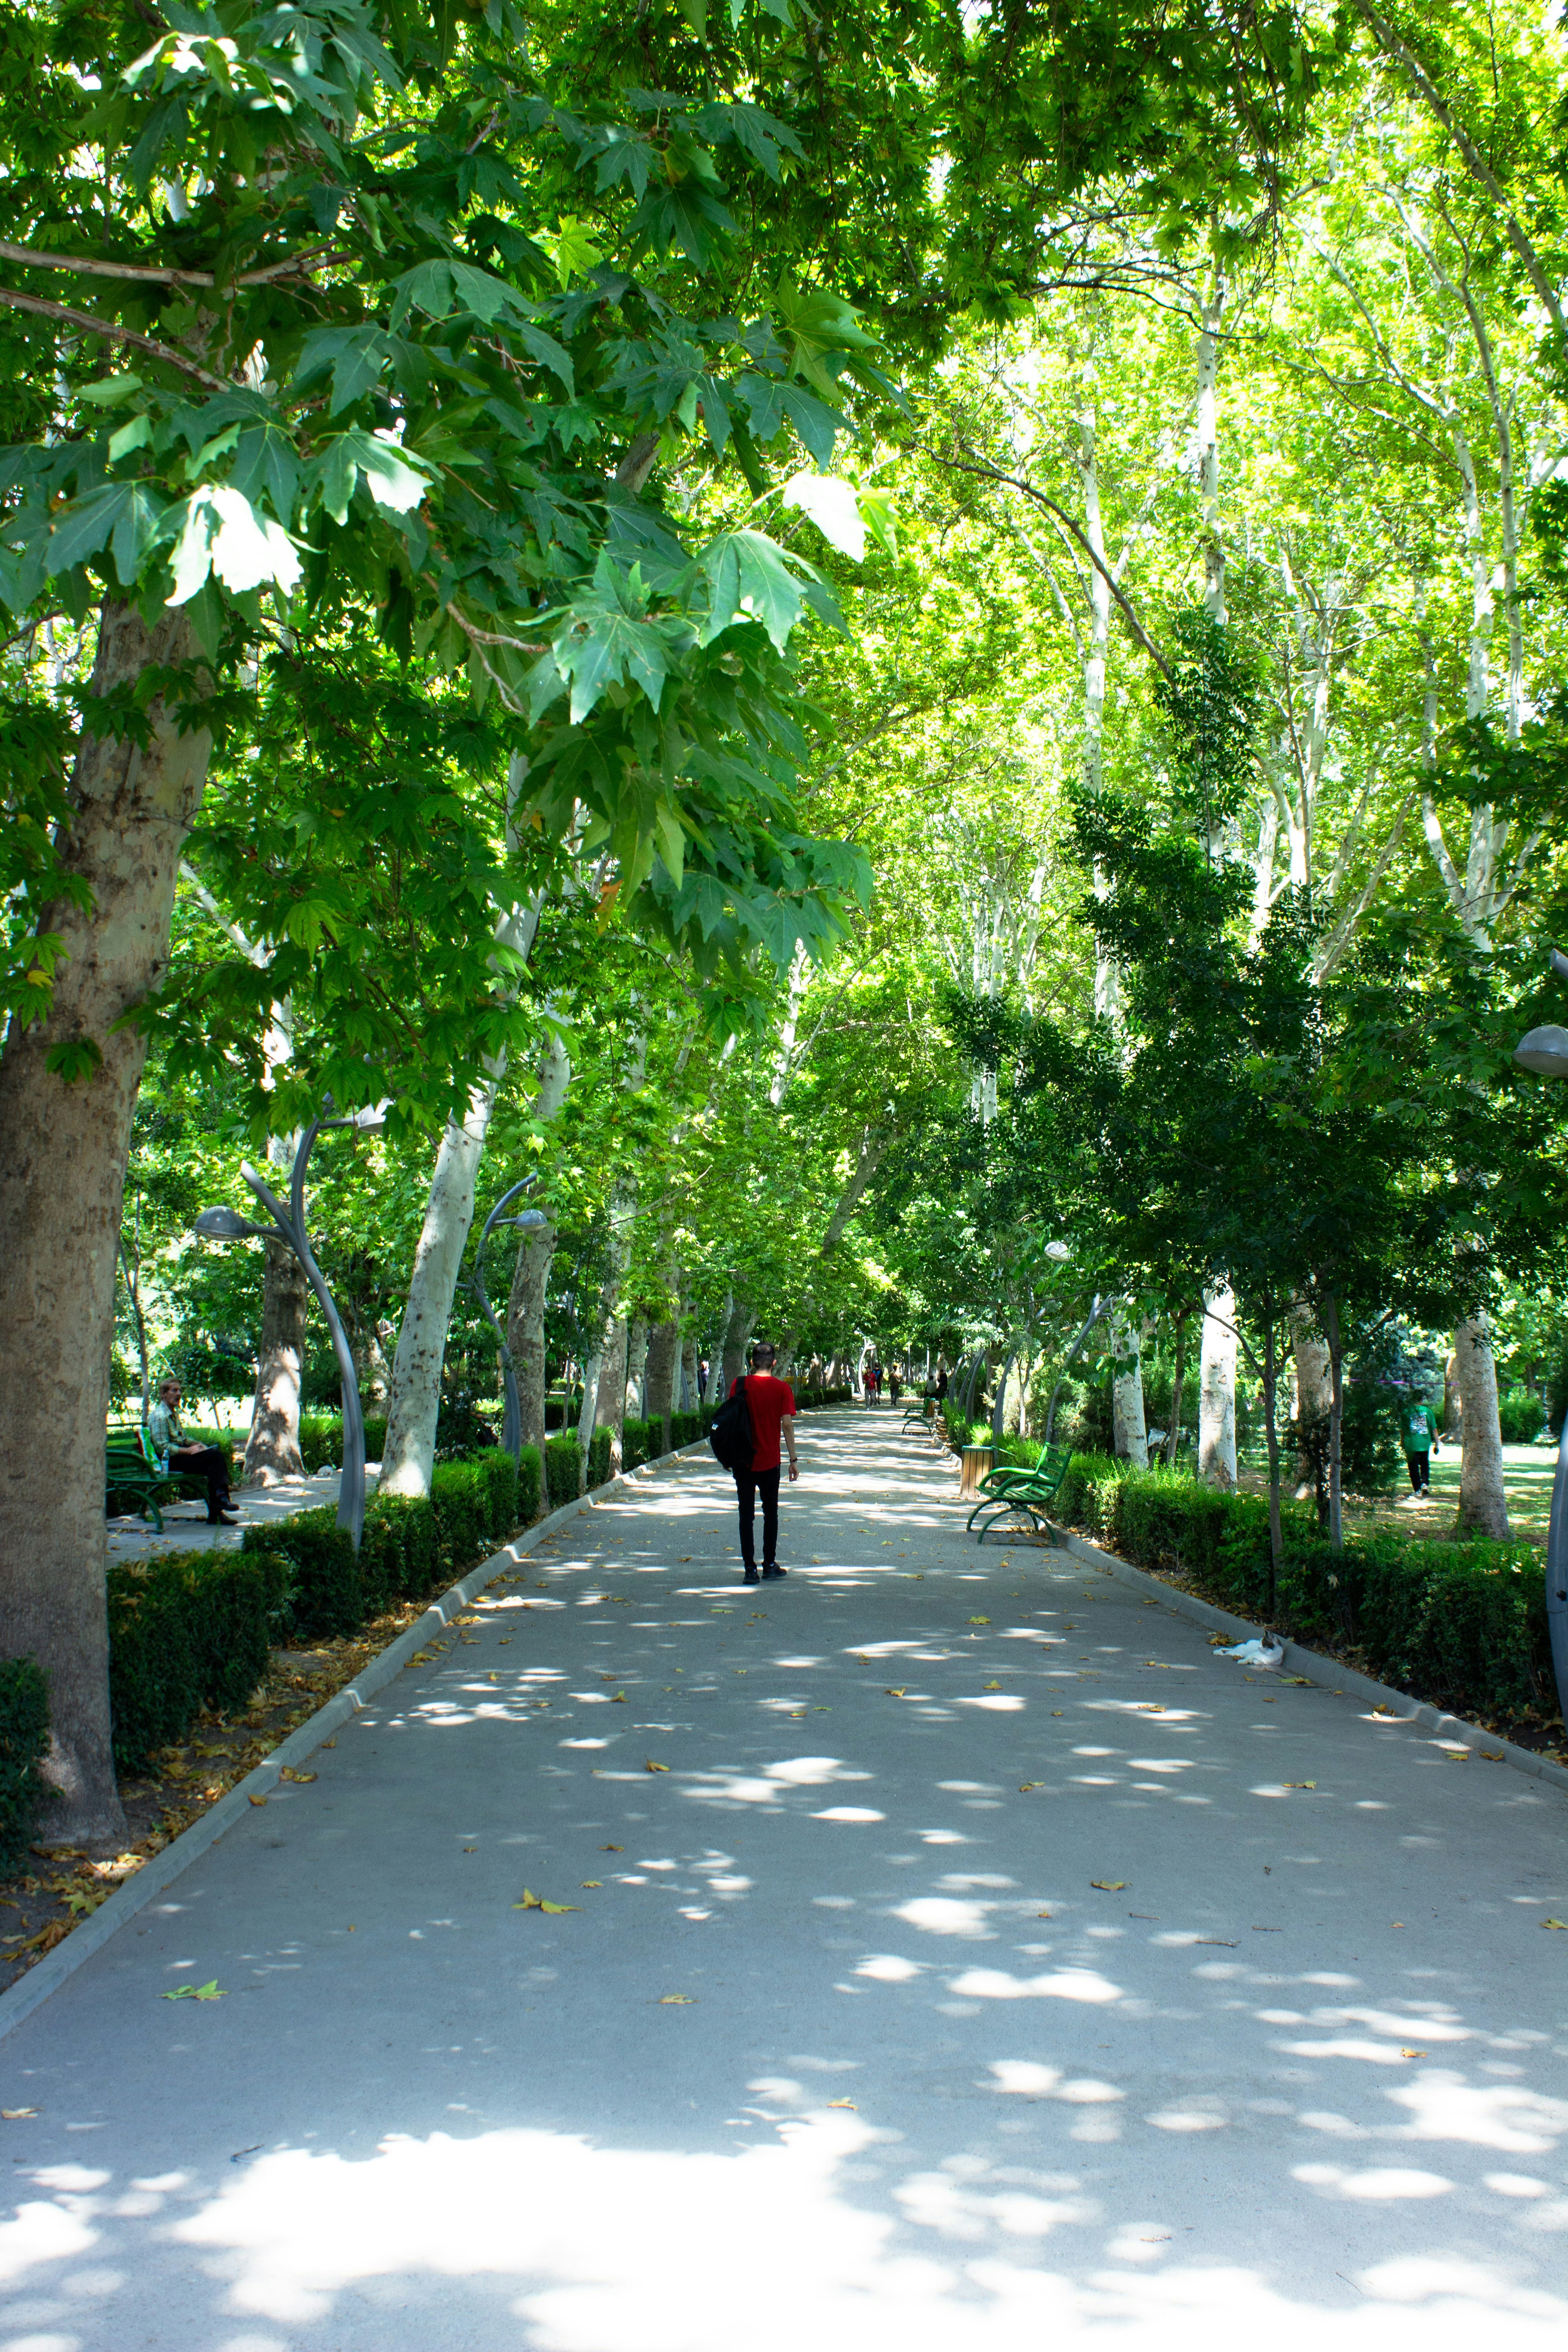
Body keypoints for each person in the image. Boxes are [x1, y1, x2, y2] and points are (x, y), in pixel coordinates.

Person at [728, 1340, 798, 1585]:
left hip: (743, 1462)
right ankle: (769, 1565)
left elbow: (731, 1420)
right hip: (770, 1462)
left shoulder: (739, 1385)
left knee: (745, 1515)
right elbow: (787, 1425)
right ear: (775, 1363)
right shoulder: (782, 1389)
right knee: (771, 1513)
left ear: (751, 1362)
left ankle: (749, 1570)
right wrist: (793, 1459)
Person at [146, 1378, 239, 1525]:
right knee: (214, 1459)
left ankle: (218, 1507)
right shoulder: (159, 1417)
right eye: (174, 1391)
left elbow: (180, 1438)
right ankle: (220, 1502)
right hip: (168, 1461)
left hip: (179, 1457)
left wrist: (196, 1444)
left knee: (213, 1457)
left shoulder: (172, 1414)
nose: (179, 1394)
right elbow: (161, 1447)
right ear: (163, 1394)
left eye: (180, 1391)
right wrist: (189, 1451)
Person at [1399, 1392, 1439, 1502]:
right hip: (1424, 1443)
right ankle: (1425, 1484)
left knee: (1413, 1467)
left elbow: (1402, 1429)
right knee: (1425, 1464)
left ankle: (1417, 1490)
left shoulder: (1406, 1412)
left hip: (1411, 1444)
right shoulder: (1428, 1412)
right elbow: (1434, 1429)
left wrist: (1402, 1441)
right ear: (1422, 1399)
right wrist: (1437, 1443)